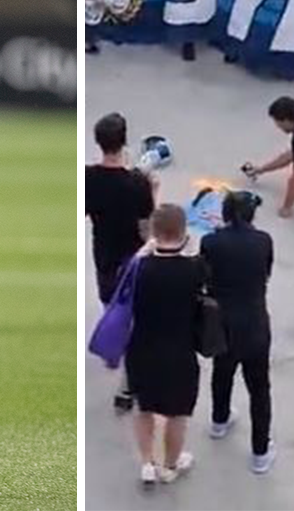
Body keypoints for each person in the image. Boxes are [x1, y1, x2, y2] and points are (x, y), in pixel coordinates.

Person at [127, 204, 205, 486]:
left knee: (144, 406)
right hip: (179, 352)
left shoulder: (139, 268)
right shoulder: (194, 270)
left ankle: (147, 462)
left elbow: (122, 293)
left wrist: (140, 253)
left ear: (153, 232)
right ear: (184, 233)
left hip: (141, 348)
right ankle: (170, 466)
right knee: (177, 413)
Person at [200, 191, 276, 474]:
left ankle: (219, 421)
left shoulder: (210, 242)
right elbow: (266, 273)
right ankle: (260, 451)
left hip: (222, 322)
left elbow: (205, 275)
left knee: (223, 371)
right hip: (255, 323)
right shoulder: (263, 241)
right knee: (259, 388)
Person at [85, 113, 156, 412]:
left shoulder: (88, 177)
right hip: (132, 257)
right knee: (134, 318)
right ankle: (126, 387)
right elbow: (146, 228)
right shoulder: (138, 183)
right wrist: (153, 191)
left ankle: (112, 352)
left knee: (110, 304)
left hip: (104, 253)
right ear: (124, 141)